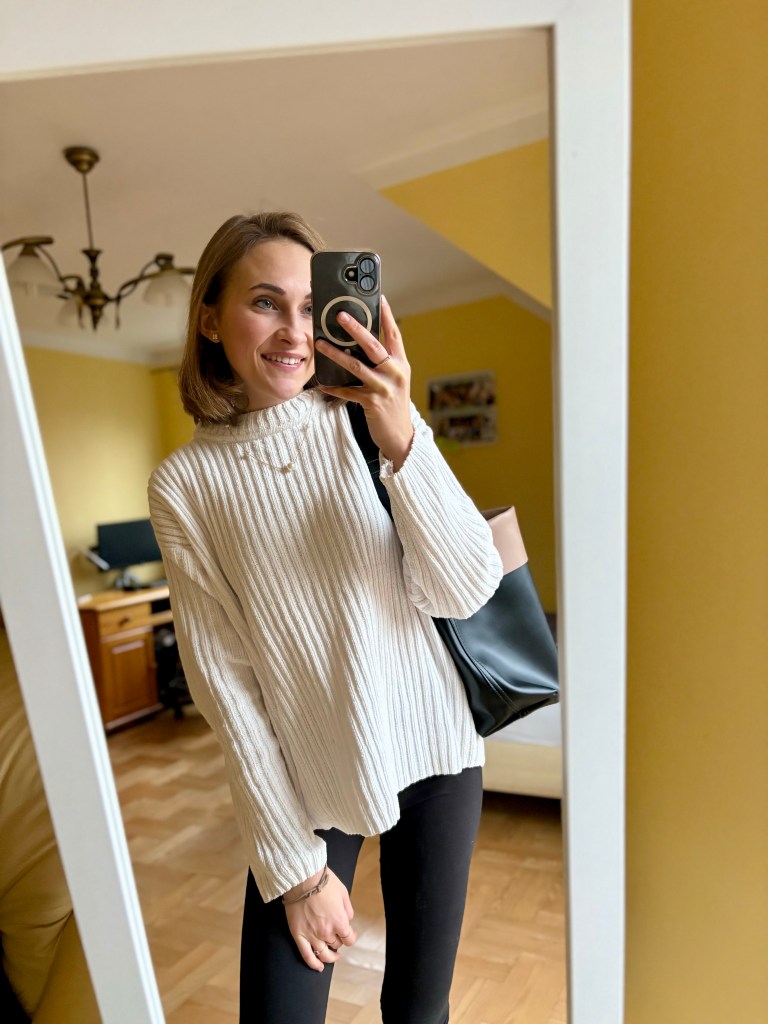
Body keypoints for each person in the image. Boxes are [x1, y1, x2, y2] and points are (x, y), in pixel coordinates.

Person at [147, 212, 503, 1023]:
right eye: (265, 302)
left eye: (311, 307)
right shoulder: (185, 485)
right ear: (211, 319)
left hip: (438, 753)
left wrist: (403, 437)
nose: (294, 331)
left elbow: (464, 589)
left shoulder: (367, 417)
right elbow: (228, 691)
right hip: (310, 779)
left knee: (419, 1010)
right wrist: (298, 873)